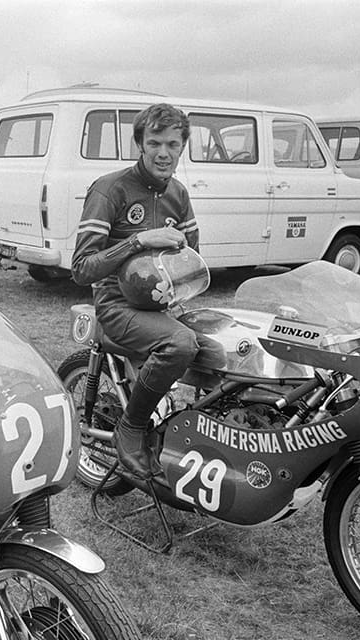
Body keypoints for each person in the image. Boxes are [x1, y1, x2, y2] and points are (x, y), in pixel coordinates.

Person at [71, 103, 218, 485]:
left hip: (163, 306)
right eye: (154, 143)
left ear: (182, 146)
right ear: (139, 143)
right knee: (180, 344)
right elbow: (81, 268)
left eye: (173, 144)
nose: (163, 153)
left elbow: (192, 256)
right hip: (116, 304)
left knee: (229, 348)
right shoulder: (110, 189)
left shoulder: (178, 193)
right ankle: (131, 427)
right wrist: (138, 241)